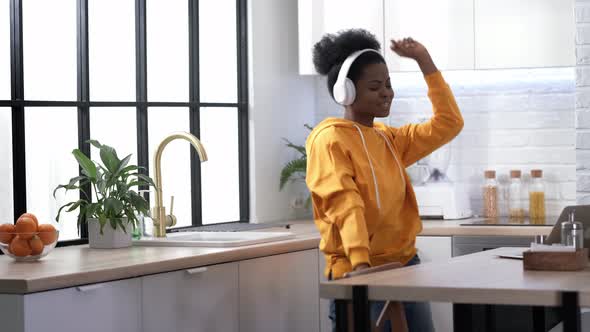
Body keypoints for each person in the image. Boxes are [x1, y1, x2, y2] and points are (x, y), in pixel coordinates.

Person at [306, 29, 464, 331]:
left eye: (388, 84)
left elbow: (449, 123)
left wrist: (424, 61)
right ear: (347, 93)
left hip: (404, 267)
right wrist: (362, 265)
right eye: (375, 86)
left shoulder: (388, 139)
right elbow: (344, 204)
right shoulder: (329, 140)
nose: (387, 92)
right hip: (358, 273)